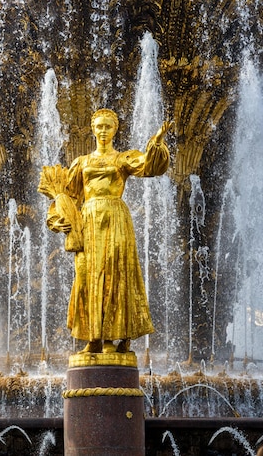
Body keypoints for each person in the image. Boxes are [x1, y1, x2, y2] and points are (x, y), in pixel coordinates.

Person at [46, 108, 171, 354]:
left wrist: (156, 141)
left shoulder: (122, 159)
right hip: (88, 220)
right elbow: (68, 196)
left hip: (115, 218)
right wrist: (56, 219)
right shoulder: (81, 162)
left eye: (108, 127)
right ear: (92, 129)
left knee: (115, 275)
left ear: (115, 130)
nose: (103, 131)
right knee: (85, 276)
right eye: (99, 126)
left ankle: (114, 338)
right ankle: (93, 335)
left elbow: (149, 166)